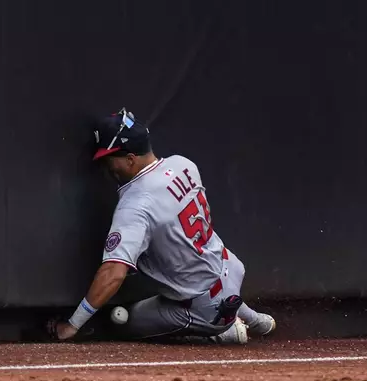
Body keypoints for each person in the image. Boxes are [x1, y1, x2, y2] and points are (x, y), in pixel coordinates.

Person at [49, 108, 276, 344]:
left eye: (109, 158)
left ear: (130, 159)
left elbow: (113, 274)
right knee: (195, 271)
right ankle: (256, 320)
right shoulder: (183, 164)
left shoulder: (136, 204)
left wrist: (72, 325)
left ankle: (223, 332)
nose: (107, 166)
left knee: (123, 324)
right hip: (229, 267)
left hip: (202, 305)